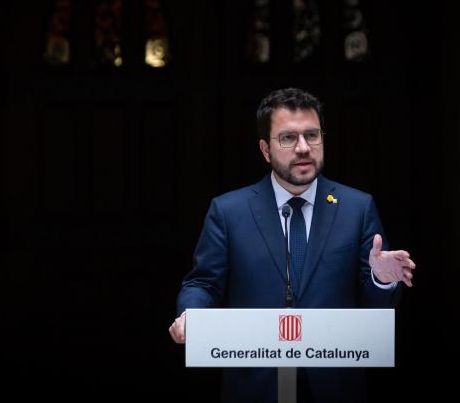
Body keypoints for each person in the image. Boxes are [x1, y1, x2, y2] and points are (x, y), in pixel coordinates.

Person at [169, 88, 416, 403]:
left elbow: (376, 307)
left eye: (312, 135)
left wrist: (381, 279)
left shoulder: (357, 208)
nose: (303, 148)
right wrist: (192, 315)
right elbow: (203, 283)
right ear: (265, 150)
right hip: (256, 385)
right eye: (288, 138)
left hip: (334, 385)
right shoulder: (229, 211)